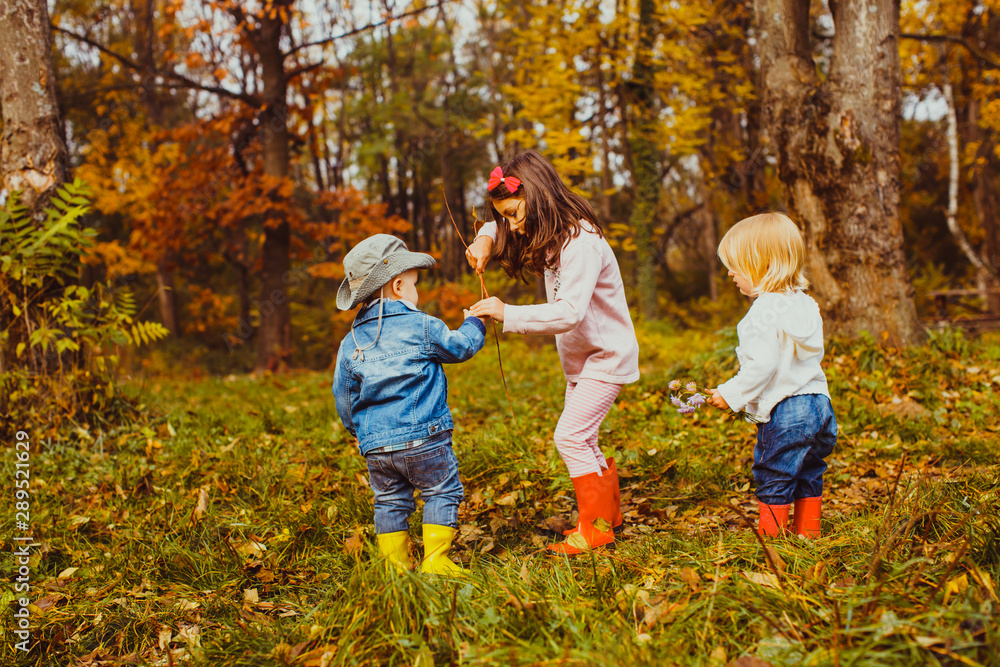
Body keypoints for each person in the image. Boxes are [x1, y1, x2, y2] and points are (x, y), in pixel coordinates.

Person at [467, 150, 640, 555]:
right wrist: (483, 240)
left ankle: (595, 531)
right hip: (582, 360)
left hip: (607, 357)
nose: (511, 223)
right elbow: (494, 224)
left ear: (540, 195)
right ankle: (605, 518)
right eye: (506, 216)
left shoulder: (582, 243)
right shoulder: (553, 234)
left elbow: (569, 312)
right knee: (586, 437)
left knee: (570, 437)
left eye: (514, 213)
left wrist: (507, 313)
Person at [333, 234, 487, 574]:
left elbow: (344, 396)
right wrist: (476, 323)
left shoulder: (350, 342)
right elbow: (459, 348)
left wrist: (357, 431)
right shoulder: (422, 326)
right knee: (441, 490)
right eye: (414, 285)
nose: (416, 293)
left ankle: (396, 567)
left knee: (389, 500)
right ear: (399, 286)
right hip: (425, 439)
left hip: (377, 448)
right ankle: (436, 561)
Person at [706, 212, 837, 538]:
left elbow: (762, 366)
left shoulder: (763, 311)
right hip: (819, 403)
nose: (729, 272)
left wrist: (731, 394)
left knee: (775, 472)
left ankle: (772, 541)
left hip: (786, 408)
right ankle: (808, 534)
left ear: (761, 265)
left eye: (736, 264)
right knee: (809, 468)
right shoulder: (805, 304)